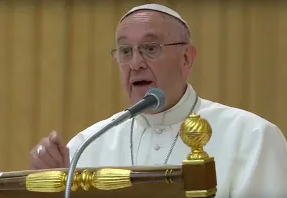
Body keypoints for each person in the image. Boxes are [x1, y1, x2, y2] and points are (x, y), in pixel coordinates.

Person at [29, 3, 287, 197]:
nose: (135, 63)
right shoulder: (86, 147)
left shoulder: (252, 137)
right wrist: (56, 186)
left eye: (150, 48)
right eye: (125, 51)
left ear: (186, 59)